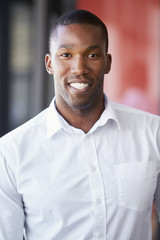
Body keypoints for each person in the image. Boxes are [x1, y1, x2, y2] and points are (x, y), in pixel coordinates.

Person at [0, 9, 160, 240]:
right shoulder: (11, 152)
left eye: (92, 55)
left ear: (108, 62)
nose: (79, 68)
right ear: (49, 63)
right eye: (66, 55)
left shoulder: (152, 134)